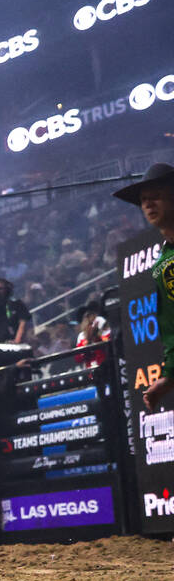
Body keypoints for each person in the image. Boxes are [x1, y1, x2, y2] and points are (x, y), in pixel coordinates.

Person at [113, 162, 174, 411]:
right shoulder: (162, 262)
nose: (148, 205)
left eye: (156, 197)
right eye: (144, 200)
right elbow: (171, 325)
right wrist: (168, 376)